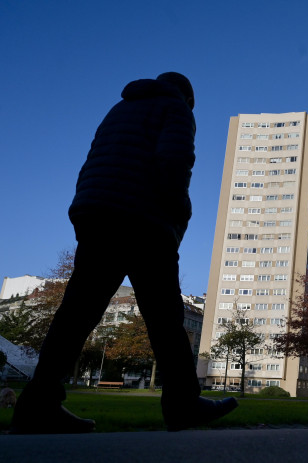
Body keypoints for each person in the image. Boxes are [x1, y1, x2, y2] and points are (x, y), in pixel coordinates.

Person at [11, 72, 237, 434]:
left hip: (96, 212)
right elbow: (175, 161)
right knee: (165, 317)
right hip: (143, 219)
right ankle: (182, 403)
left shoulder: (120, 108)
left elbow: (93, 161)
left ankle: (37, 405)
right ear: (188, 97)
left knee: (76, 313)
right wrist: (177, 213)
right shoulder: (176, 108)